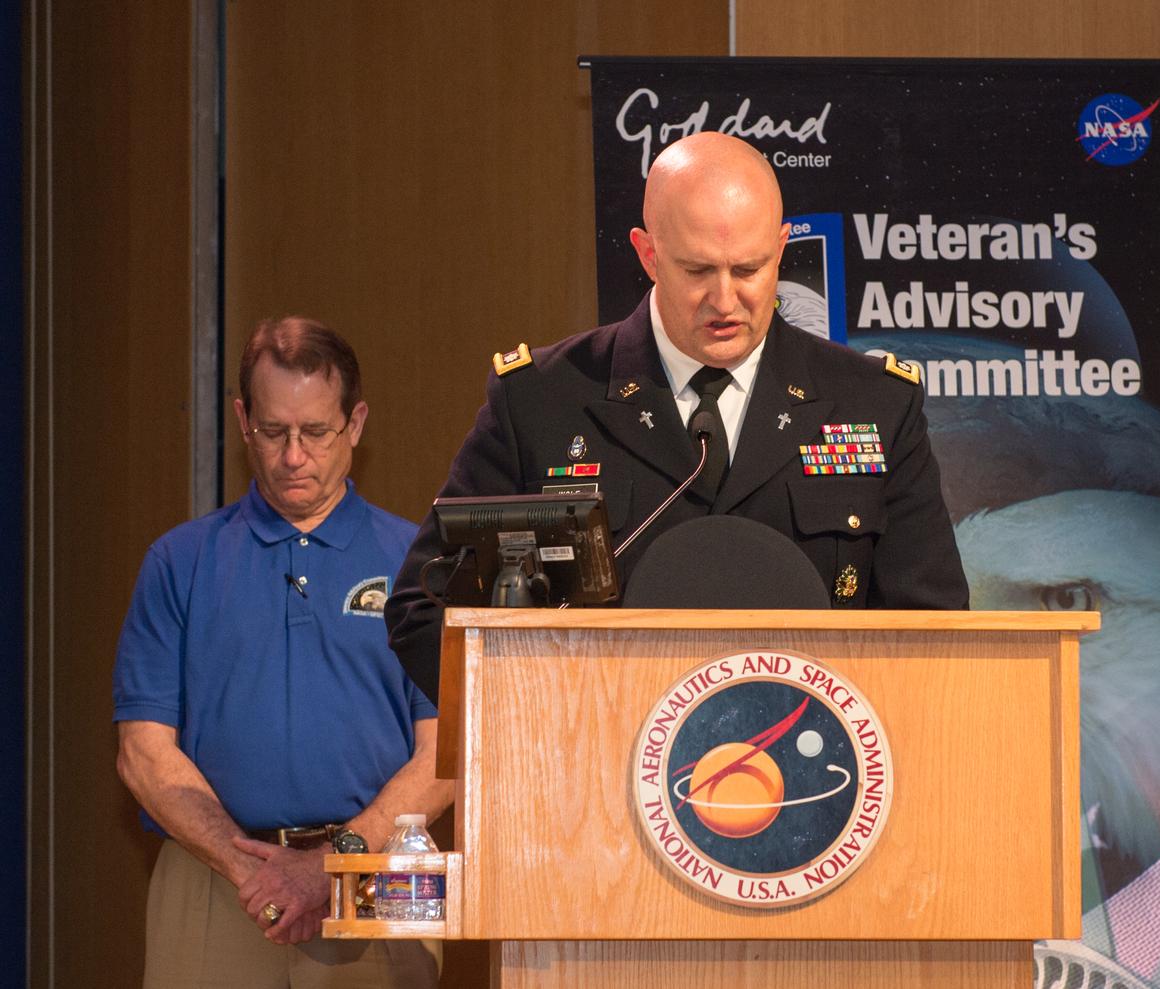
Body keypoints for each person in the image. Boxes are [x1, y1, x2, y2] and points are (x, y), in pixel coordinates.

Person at [386, 132, 969, 703]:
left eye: (748, 270)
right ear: (648, 253)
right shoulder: (544, 400)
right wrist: (552, 713)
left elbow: (934, 627)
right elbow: (425, 609)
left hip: (812, 764)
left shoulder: (871, 404)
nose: (724, 300)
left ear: (782, 247)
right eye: (697, 271)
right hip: (596, 769)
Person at [114, 318, 452, 988]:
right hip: (216, 877)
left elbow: (449, 753)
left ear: (355, 423)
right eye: (274, 431)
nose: (294, 455)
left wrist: (334, 861)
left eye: (316, 432)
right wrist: (253, 869)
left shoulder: (423, 563)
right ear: (244, 421)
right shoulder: (178, 562)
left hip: (380, 865)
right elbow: (143, 752)